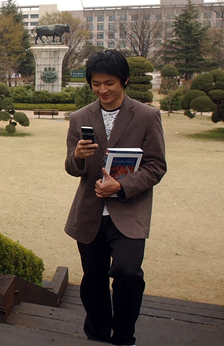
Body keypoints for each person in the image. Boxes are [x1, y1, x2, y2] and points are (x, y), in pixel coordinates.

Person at [64, 50, 167, 346]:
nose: (103, 90)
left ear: (125, 80)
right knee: (93, 279)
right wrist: (78, 157)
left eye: (109, 83)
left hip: (128, 212)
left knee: (127, 273)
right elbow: (72, 169)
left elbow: (156, 166)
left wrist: (120, 187)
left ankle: (123, 336)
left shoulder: (147, 116)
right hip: (89, 212)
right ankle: (96, 335)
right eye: (96, 84)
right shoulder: (80, 117)